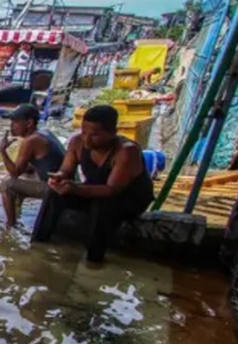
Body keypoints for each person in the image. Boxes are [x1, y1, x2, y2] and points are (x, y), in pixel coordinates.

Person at [31, 105, 155, 263]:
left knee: (102, 205)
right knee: (53, 193)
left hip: (126, 199)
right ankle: (38, 242)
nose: (87, 139)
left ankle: (94, 258)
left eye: (95, 135)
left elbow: (112, 190)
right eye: (84, 132)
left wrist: (75, 188)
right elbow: (66, 169)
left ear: (112, 133)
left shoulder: (127, 151)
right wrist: (58, 178)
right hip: (94, 190)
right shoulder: (77, 142)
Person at [0, 104, 66, 227]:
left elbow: (14, 172)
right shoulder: (44, 132)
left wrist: (3, 151)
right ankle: (16, 214)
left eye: (16, 122)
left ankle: (10, 225)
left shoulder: (31, 141)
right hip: (62, 182)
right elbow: (40, 163)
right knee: (22, 177)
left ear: (29, 123)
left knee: (7, 184)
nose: (11, 126)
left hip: (56, 189)